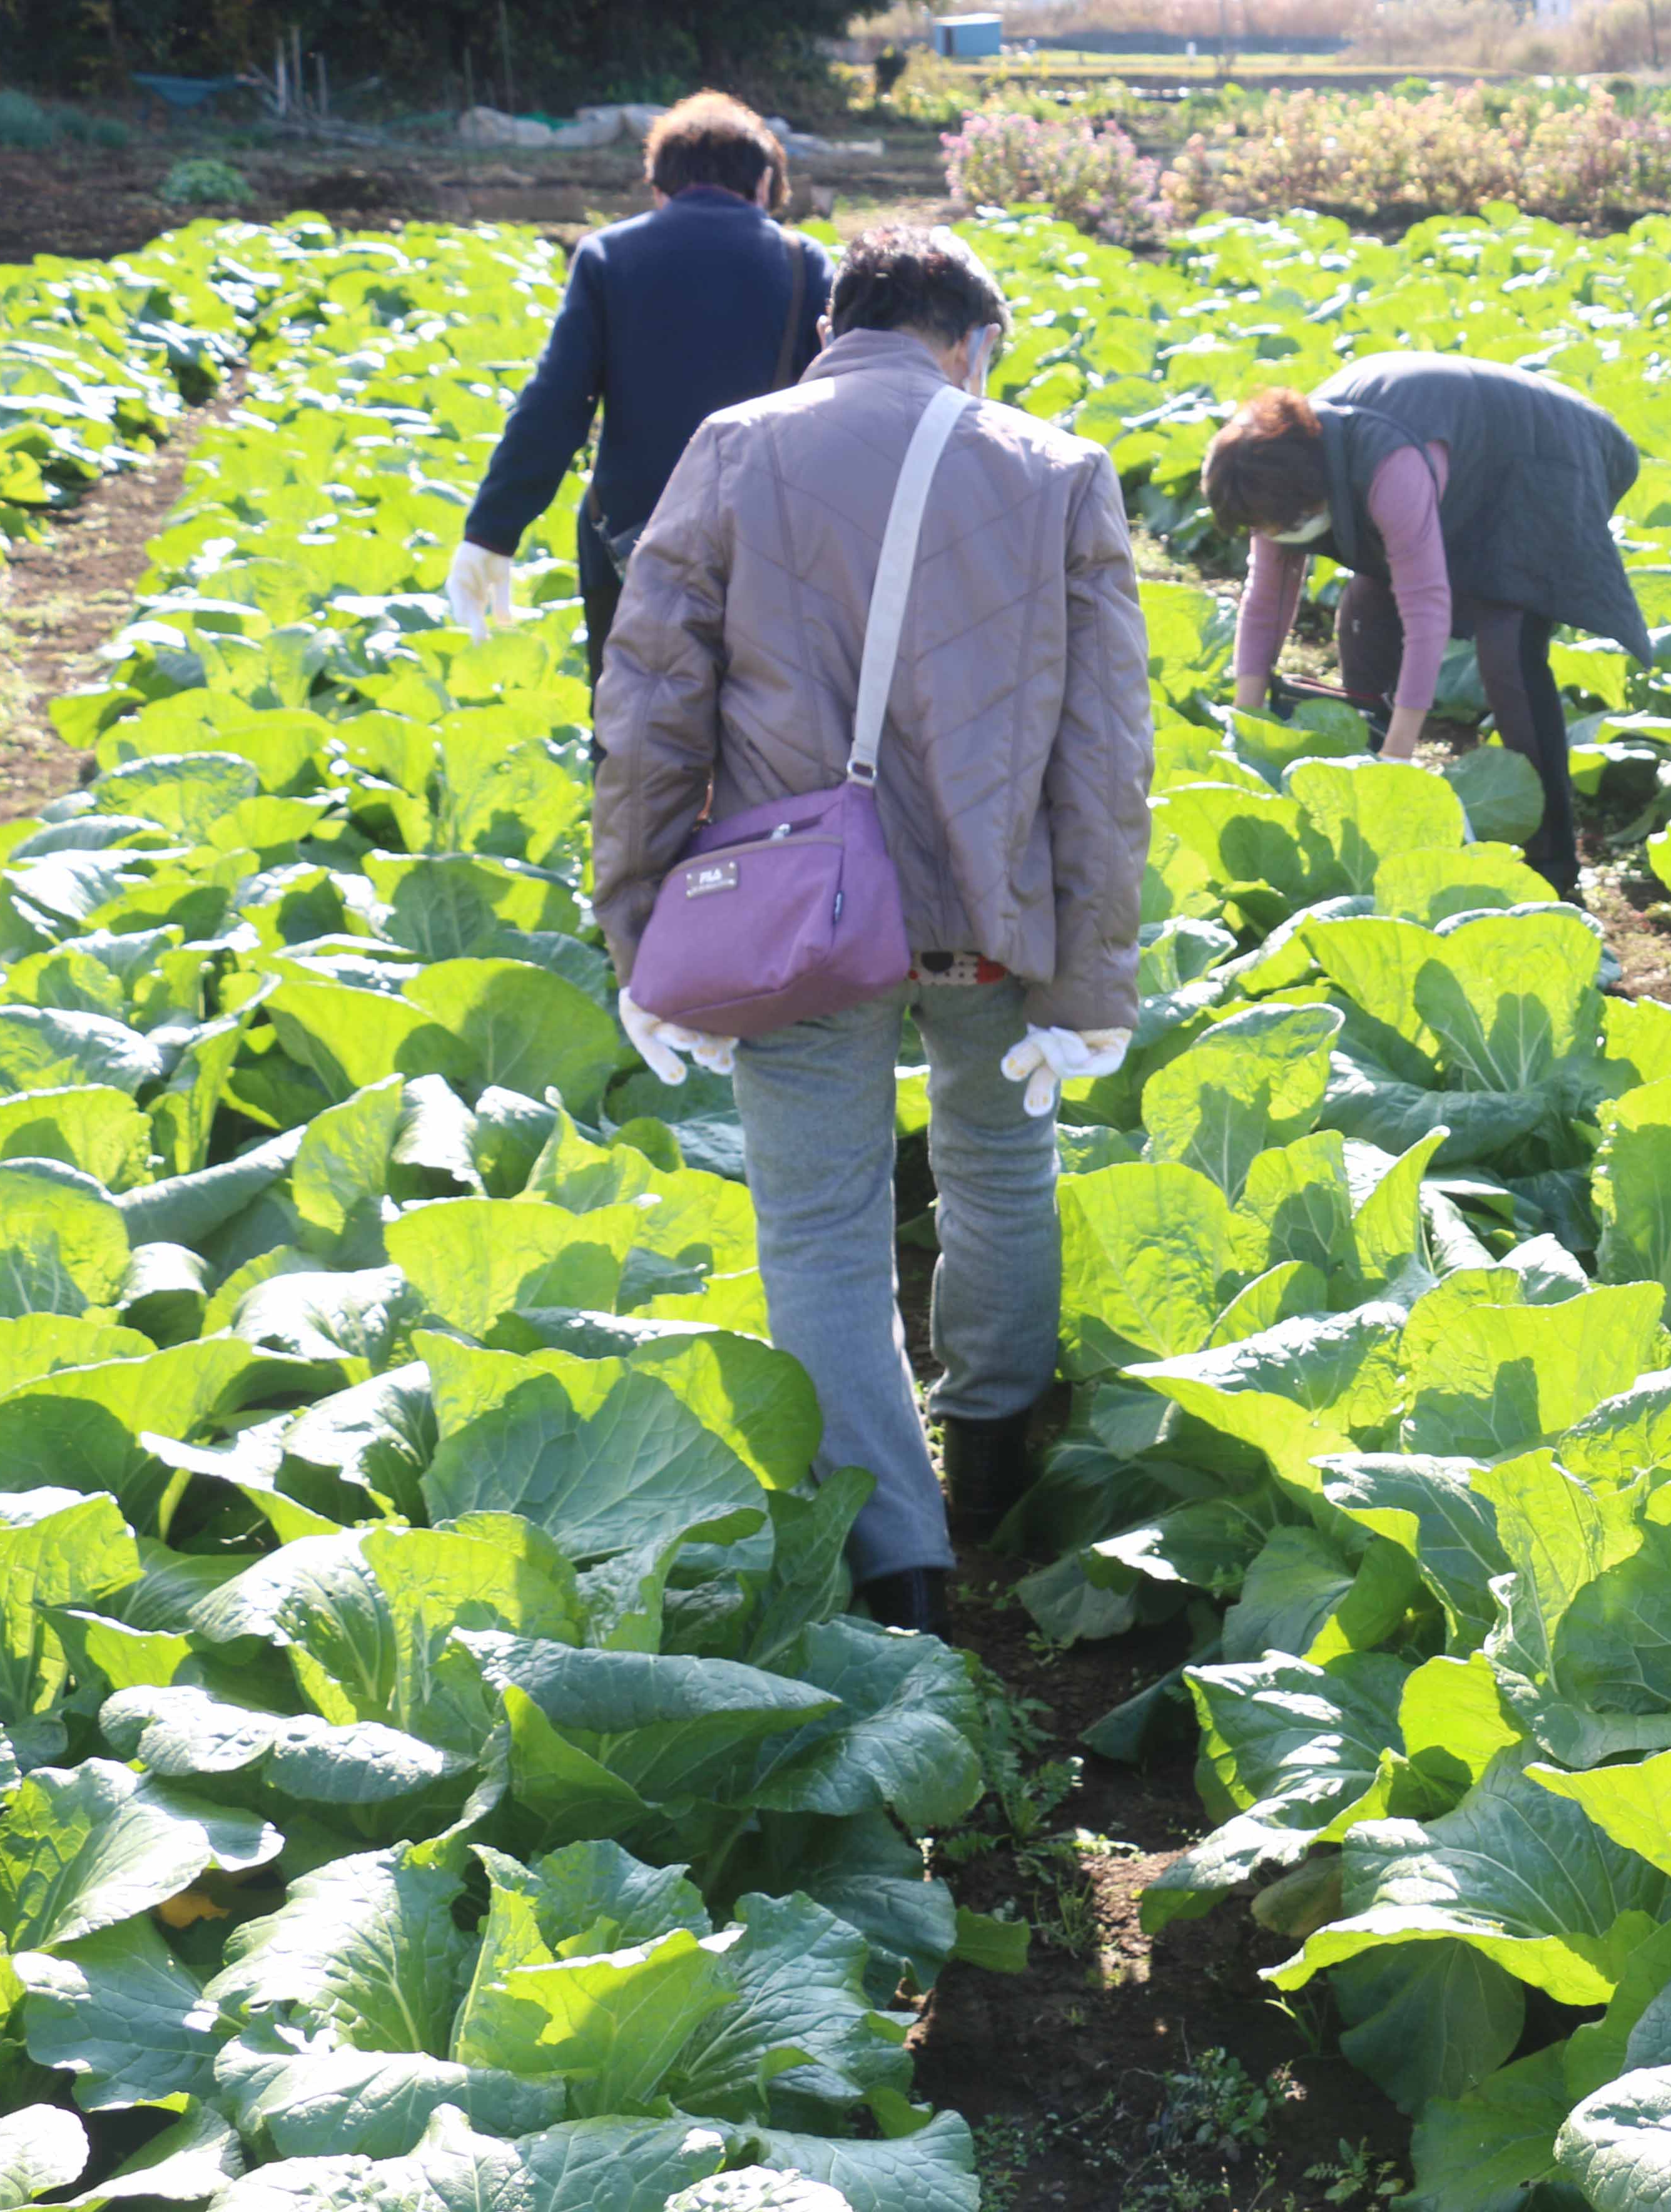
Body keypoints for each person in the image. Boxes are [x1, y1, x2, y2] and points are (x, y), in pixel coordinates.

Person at [590, 227, 1150, 1640]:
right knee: (998, 1165)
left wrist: (640, 929)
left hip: (797, 919)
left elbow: (648, 701)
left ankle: (898, 1570)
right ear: (965, 343)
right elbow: (1101, 753)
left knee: (825, 1230)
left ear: (836, 325)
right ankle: (994, 1462)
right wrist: (1090, 977)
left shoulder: (732, 447)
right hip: (985, 905)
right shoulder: (1058, 469)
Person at [1204, 354, 1651, 898]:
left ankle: (1553, 863)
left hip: (1543, 458)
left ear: (1311, 493)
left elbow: (1426, 608)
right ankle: (1363, 767)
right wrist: (1246, 726)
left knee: (1508, 648)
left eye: (1285, 524)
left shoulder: (1388, 467)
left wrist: (1399, 757)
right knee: (1367, 606)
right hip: (1456, 451)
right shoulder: (1270, 478)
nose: (1278, 534)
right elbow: (1266, 599)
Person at [446, 92, 834, 679]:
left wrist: (491, 532)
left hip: (631, 543)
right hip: (766, 548)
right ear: (763, 184)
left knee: (632, 736)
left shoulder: (609, 255)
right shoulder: (805, 262)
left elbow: (555, 406)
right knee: (762, 739)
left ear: (658, 187)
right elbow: (841, 409)